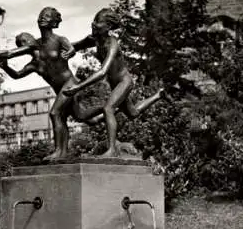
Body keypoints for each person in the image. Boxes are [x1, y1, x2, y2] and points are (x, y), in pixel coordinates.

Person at [0, 7, 102, 160]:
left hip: (70, 84)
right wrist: (0, 62)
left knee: (55, 113)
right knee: (83, 117)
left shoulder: (58, 40)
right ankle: (109, 109)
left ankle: (60, 153)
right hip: (61, 90)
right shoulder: (34, 64)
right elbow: (15, 70)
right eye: (21, 43)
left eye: (25, 40)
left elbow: (72, 47)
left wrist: (71, 51)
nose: (23, 44)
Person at [63, 8, 171, 157]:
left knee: (108, 108)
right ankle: (159, 95)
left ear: (108, 27)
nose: (94, 25)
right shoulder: (94, 39)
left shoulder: (112, 44)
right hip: (115, 84)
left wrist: (78, 87)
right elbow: (75, 46)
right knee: (133, 113)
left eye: (98, 23)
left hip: (124, 82)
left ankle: (112, 149)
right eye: (94, 21)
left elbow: (102, 72)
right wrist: (67, 50)